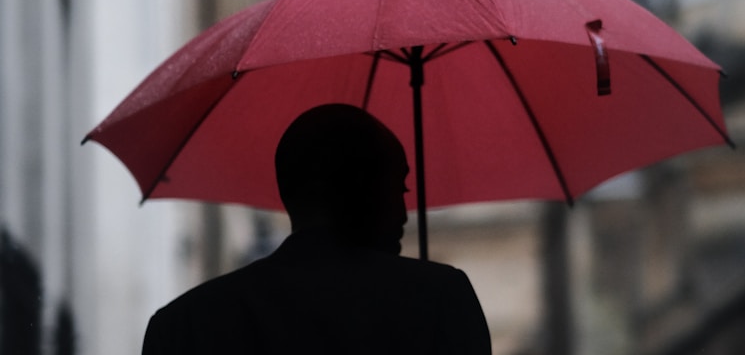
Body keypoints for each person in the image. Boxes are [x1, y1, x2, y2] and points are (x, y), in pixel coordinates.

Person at [141, 103, 492, 354]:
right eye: (397, 187)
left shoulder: (183, 325)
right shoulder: (440, 299)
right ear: (358, 187)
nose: (404, 213)